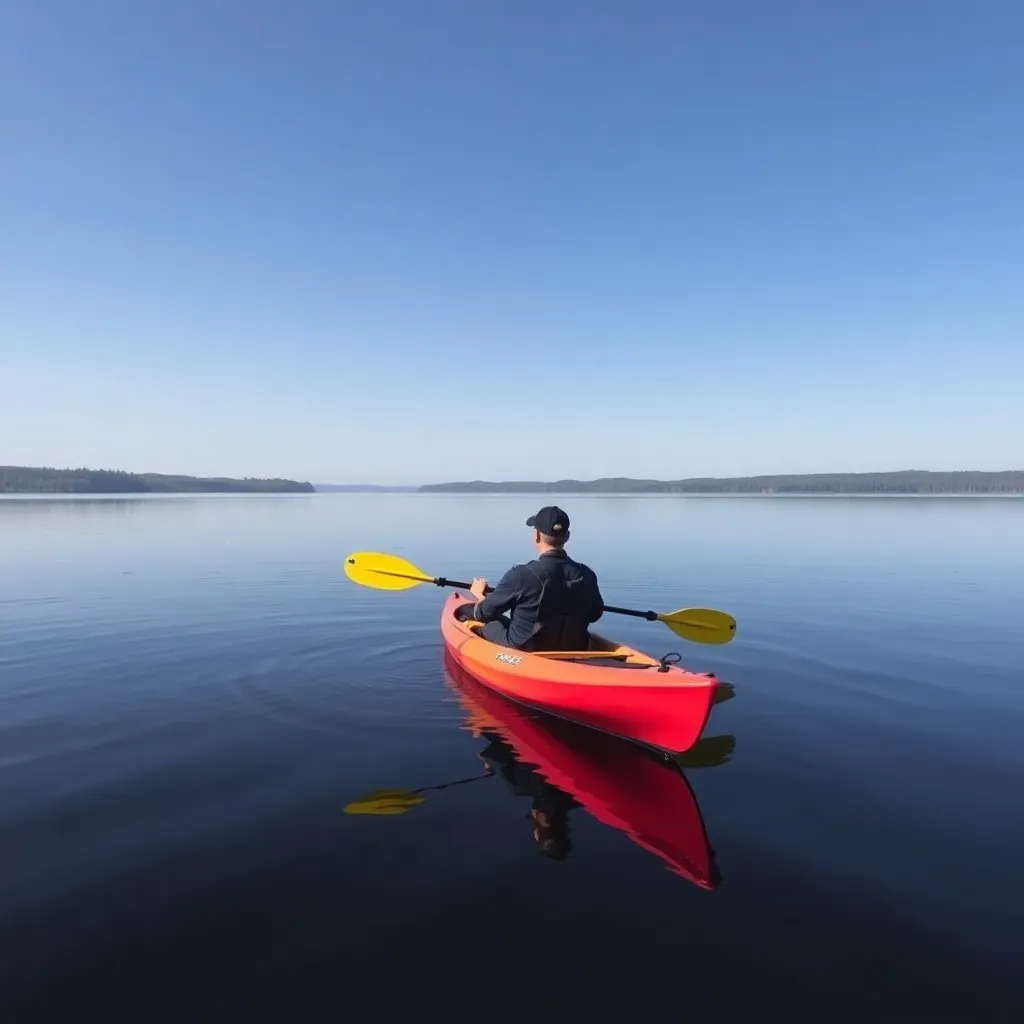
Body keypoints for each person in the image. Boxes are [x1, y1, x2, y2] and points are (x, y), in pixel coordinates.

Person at [458, 505, 604, 651]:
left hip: (525, 649)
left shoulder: (521, 575)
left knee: (475, 617)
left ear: (537, 535)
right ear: (567, 536)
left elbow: (483, 613)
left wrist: (478, 594)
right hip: (574, 647)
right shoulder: (586, 574)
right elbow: (594, 614)